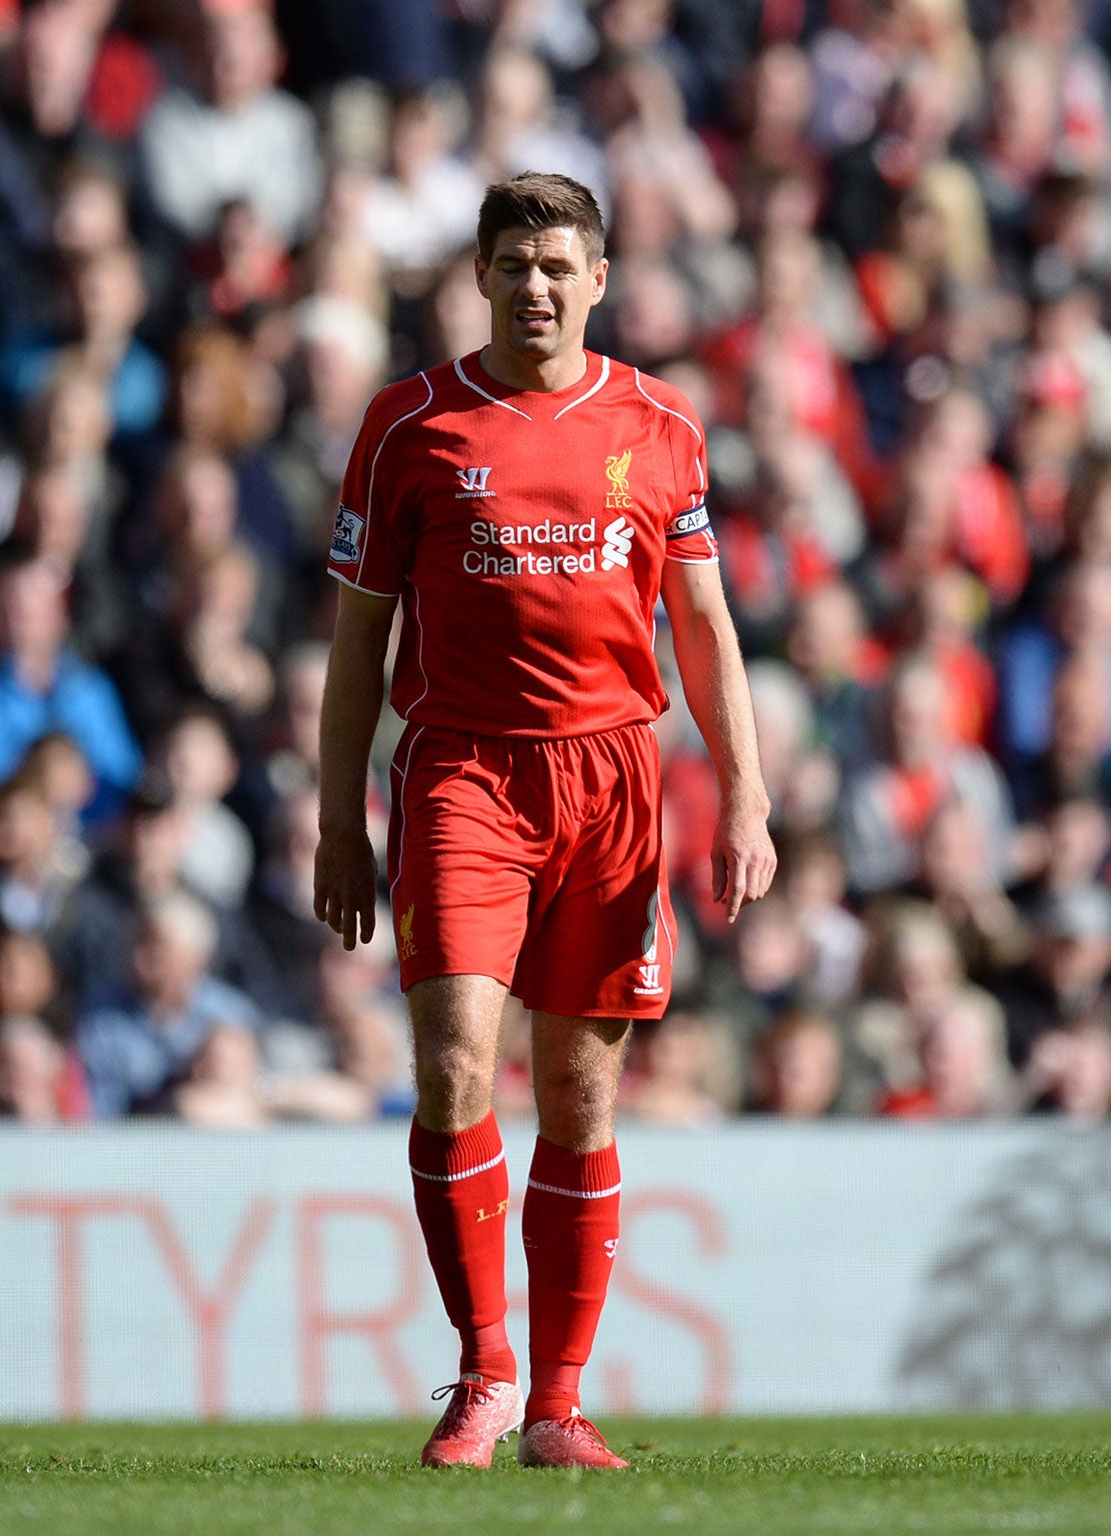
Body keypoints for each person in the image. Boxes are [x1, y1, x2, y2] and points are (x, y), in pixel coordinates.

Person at [312, 173, 774, 1470]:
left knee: (579, 1089)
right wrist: (339, 819)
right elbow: (359, 640)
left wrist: (742, 787)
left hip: (617, 782)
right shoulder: (410, 425)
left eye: (559, 266)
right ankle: (486, 1377)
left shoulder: (659, 424)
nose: (537, 287)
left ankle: (562, 1404)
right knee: (456, 1054)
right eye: (514, 265)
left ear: (601, 278)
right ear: (480, 276)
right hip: (463, 774)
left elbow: (703, 627)